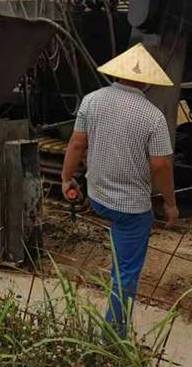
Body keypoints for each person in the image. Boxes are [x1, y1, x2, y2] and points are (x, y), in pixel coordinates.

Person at [61, 43, 178, 337]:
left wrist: (66, 179)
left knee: (120, 254)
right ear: (146, 80)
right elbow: (161, 166)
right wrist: (170, 204)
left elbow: (76, 144)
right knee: (126, 274)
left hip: (98, 196)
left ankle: (115, 290)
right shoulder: (152, 116)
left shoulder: (91, 101)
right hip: (131, 208)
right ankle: (113, 338)